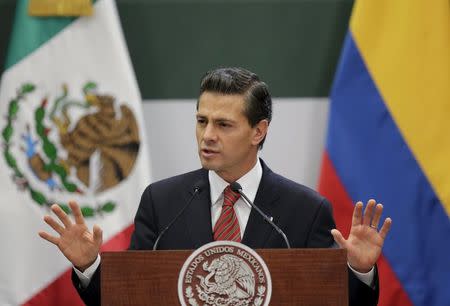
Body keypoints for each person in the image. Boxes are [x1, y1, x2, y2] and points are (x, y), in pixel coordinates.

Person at [39, 67, 392, 306]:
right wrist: (90, 268)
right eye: (202, 121)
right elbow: (133, 294)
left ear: (259, 131)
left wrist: (359, 271)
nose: (207, 136)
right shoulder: (162, 202)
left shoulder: (305, 209)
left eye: (223, 124)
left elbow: (332, 300)